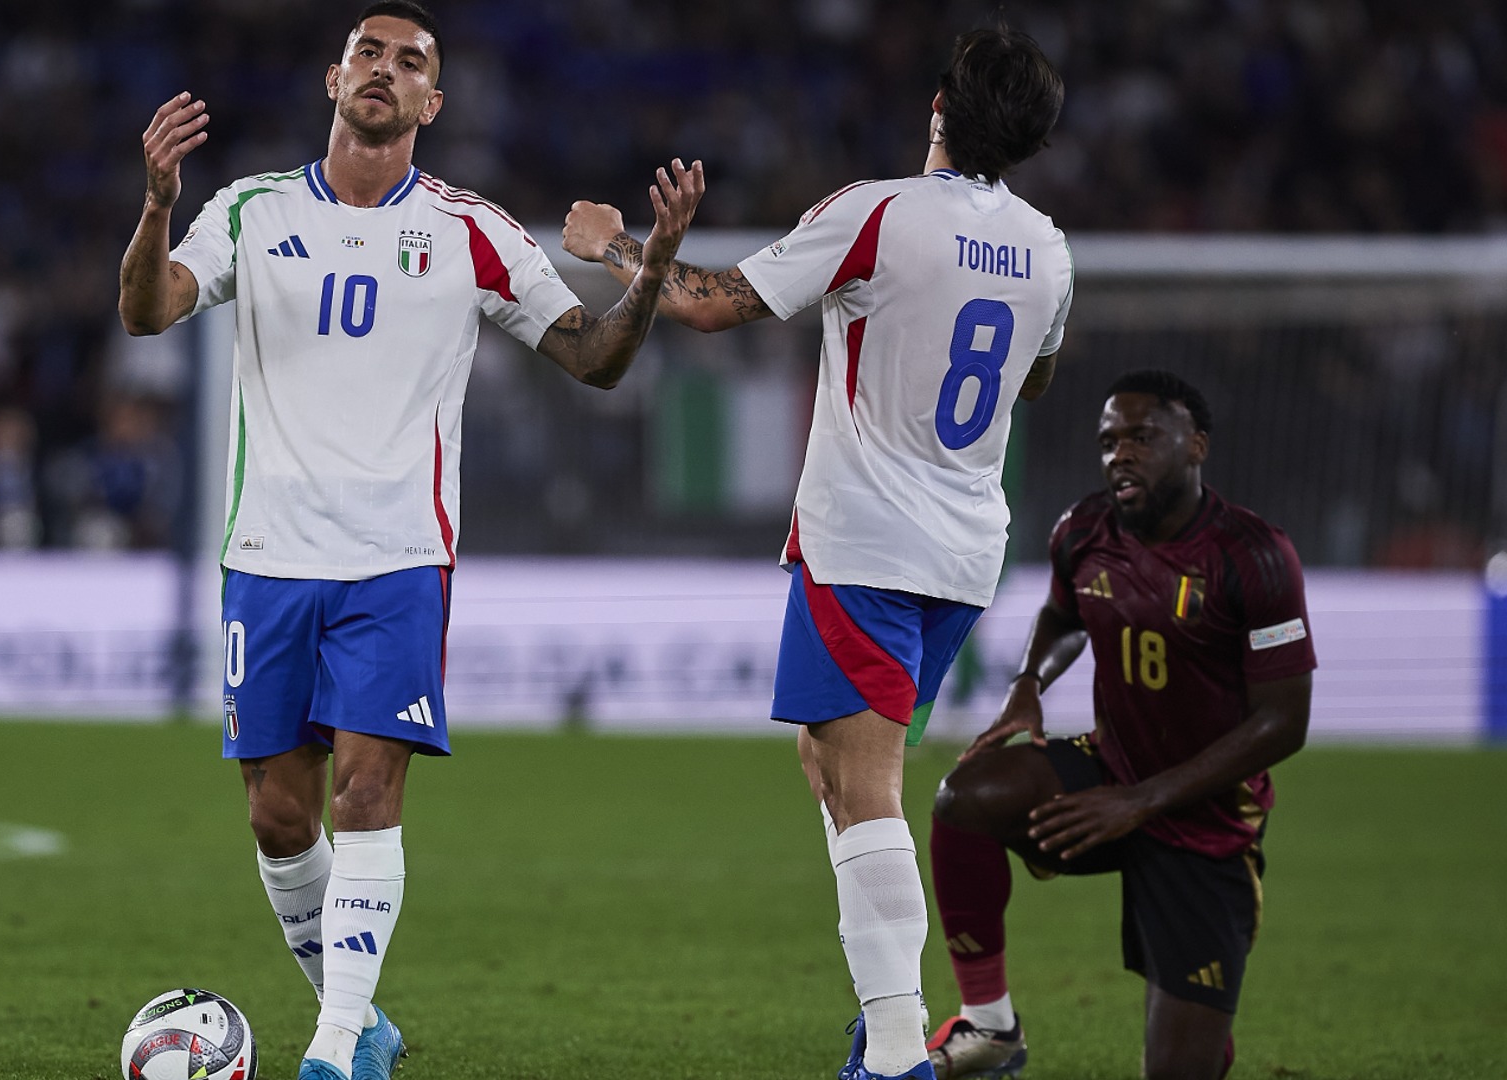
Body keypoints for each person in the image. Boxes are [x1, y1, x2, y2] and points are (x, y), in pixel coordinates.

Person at [116, 4, 702, 1079]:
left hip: (396, 558)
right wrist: (157, 210)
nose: (384, 70)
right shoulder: (247, 209)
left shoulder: (473, 228)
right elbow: (151, 312)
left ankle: (336, 1047)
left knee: (368, 794)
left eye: (411, 63)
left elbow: (593, 360)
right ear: (331, 80)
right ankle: (363, 1019)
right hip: (268, 557)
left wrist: (651, 268)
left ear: (434, 103)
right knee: (279, 816)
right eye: (368, 54)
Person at [563, 24, 1069, 1080]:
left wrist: (617, 244)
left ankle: (895, 1052)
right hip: (967, 552)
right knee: (834, 769)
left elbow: (707, 305)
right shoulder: (1048, 248)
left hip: (868, 542)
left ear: (939, 103)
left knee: (865, 780)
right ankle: (883, 1026)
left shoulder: (876, 212)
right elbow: (1034, 379)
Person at [926, 371, 1316, 1080]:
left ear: (1195, 446)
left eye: (1142, 437)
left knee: (1177, 1070)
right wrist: (1027, 683)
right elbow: (1064, 615)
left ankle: (1203, 1039)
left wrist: (1138, 803)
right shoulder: (1084, 530)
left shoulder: (1254, 555)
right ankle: (990, 1027)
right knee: (965, 798)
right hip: (1110, 772)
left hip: (1205, 826)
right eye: (1109, 441)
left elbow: (1284, 725)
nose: (1120, 455)